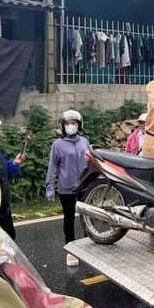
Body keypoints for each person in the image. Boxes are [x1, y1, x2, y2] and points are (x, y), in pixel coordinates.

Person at [45, 109, 89, 267]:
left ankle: (89, 248)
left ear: (79, 124)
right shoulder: (58, 145)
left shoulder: (84, 142)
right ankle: (71, 250)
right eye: (68, 123)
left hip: (84, 186)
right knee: (69, 219)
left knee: (86, 217)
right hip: (66, 188)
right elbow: (53, 167)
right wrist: (50, 187)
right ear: (63, 126)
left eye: (74, 122)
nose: (71, 125)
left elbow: (90, 162)